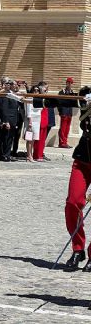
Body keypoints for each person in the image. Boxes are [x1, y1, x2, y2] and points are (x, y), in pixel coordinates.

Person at [63, 86, 91, 272]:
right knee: (73, 202)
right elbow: (60, 102)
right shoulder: (86, 93)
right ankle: (78, 248)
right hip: (83, 159)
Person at [0, 78, 19, 162]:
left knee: (10, 138)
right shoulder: (6, 94)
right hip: (8, 119)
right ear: (10, 86)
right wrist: (6, 121)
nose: (16, 86)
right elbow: (4, 109)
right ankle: (3, 155)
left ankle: (7, 154)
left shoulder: (13, 94)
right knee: (5, 138)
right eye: (14, 84)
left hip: (14, 119)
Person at [24, 86, 42, 162]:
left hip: (37, 120)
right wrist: (30, 122)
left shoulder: (39, 99)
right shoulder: (29, 98)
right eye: (34, 90)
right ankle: (29, 155)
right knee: (29, 139)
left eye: (37, 90)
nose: (36, 92)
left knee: (33, 139)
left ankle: (30, 155)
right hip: (31, 120)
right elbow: (28, 111)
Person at [58, 77, 76, 148]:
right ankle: (61, 143)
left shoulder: (72, 92)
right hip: (64, 112)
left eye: (71, 83)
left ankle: (65, 142)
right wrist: (61, 111)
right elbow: (58, 102)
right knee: (63, 128)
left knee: (67, 128)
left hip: (69, 112)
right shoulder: (62, 92)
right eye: (69, 83)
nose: (70, 84)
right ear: (66, 83)